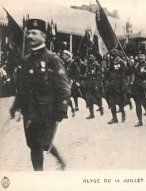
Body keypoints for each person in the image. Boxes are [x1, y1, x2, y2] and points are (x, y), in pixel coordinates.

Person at [9, 19, 71, 170]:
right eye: (29, 33)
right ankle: (39, 174)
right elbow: (22, 88)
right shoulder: (26, 60)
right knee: (33, 145)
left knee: (41, 142)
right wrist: (16, 107)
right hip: (29, 111)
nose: (30, 36)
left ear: (43, 36)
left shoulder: (52, 59)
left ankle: (53, 164)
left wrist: (61, 110)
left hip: (47, 111)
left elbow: (64, 87)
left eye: (34, 33)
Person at [132, 52, 146, 127]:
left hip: (145, 86)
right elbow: (129, 73)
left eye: (142, 56)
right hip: (137, 86)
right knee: (137, 103)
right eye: (139, 56)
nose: (140, 57)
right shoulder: (135, 65)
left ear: (145, 57)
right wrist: (130, 66)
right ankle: (140, 121)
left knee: (145, 103)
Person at [105, 49, 127, 124]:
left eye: (115, 52)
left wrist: (123, 86)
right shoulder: (110, 62)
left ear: (118, 53)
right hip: (111, 84)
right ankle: (114, 118)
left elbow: (124, 75)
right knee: (111, 102)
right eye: (112, 52)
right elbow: (109, 73)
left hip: (119, 85)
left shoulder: (121, 62)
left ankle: (123, 112)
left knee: (119, 101)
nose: (113, 53)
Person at [82, 51, 104, 119]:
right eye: (89, 57)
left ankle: (100, 106)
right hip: (88, 83)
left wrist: (98, 84)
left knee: (96, 98)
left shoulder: (97, 65)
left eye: (91, 57)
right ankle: (91, 114)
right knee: (88, 99)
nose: (90, 58)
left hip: (95, 84)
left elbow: (99, 75)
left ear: (94, 58)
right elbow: (86, 74)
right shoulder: (87, 65)